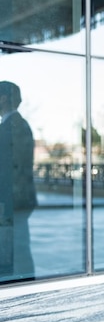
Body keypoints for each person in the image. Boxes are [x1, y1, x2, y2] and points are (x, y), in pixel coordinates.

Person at [0, 81, 37, 282]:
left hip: (11, 201)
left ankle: (21, 287)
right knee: (18, 247)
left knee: (15, 249)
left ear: (3, 98)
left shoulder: (11, 127)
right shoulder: (18, 124)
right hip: (17, 200)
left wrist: (3, 204)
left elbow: (8, 170)